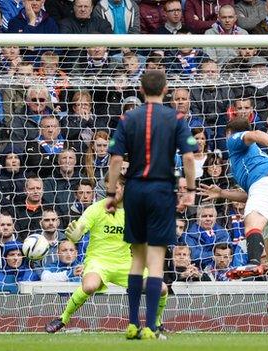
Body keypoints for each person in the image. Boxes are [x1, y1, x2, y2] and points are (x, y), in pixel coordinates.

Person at [105, 70, 197, 340]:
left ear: (141, 90)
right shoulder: (176, 118)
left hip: (134, 190)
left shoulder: (127, 118)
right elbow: (190, 159)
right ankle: (151, 328)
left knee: (138, 259)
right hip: (160, 190)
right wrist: (190, 190)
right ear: (166, 89)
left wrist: (111, 193)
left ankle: (132, 324)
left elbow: (114, 160)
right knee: (156, 261)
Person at [198, 117, 268, 326]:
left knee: (251, 224)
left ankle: (252, 263)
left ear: (228, 133)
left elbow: (254, 135)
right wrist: (222, 192)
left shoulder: (234, 141)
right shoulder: (250, 159)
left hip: (266, 188)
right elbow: (251, 194)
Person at [44, 175, 169, 335]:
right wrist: (75, 235)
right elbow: (80, 228)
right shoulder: (96, 209)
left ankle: (156, 323)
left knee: (162, 288)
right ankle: (63, 318)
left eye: (115, 187)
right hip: (99, 261)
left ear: (124, 188)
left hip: (125, 263)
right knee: (89, 286)